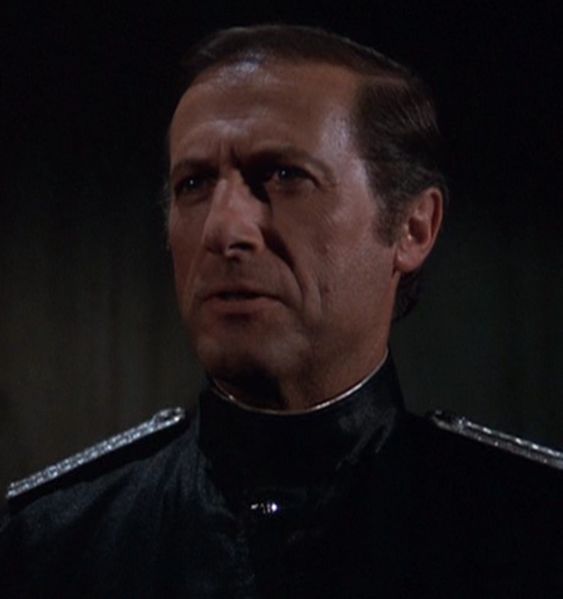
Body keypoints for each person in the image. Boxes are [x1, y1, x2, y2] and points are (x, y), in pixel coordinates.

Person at [1, 24, 562, 598]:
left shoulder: (536, 534)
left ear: (413, 227)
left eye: (285, 176)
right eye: (194, 183)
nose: (224, 230)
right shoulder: (48, 548)